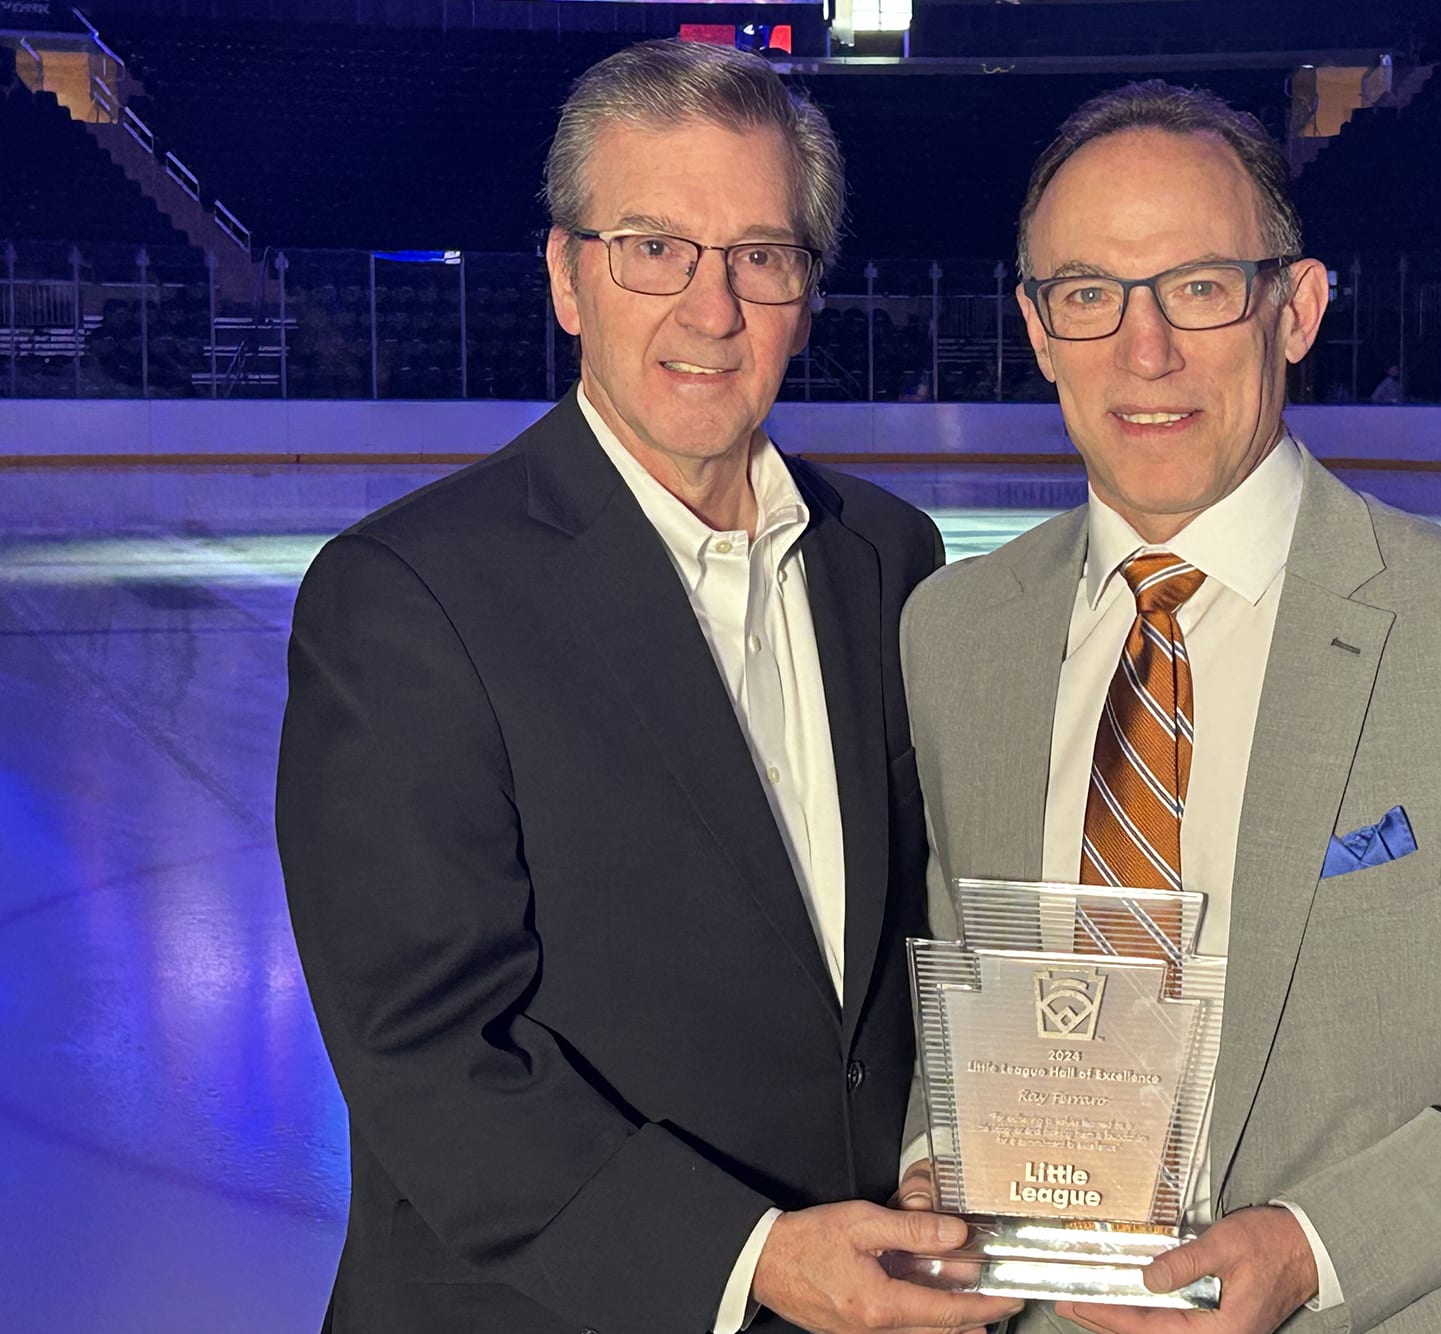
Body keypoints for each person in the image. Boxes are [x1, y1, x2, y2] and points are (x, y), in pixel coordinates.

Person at [897, 81, 1441, 1334]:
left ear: (1296, 308)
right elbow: (975, 994)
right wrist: (936, 1171)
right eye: (1089, 294)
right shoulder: (956, 634)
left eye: (1201, 285)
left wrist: (1314, 1247)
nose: (1145, 347)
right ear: (1036, 325)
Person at [277, 40, 1022, 1334]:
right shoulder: (406, 593)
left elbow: (912, 949)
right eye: (653, 248)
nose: (711, 306)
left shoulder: (887, 557)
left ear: (807, 288)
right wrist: (756, 1258)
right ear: (568, 276)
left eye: (760, 255)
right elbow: (430, 1054)